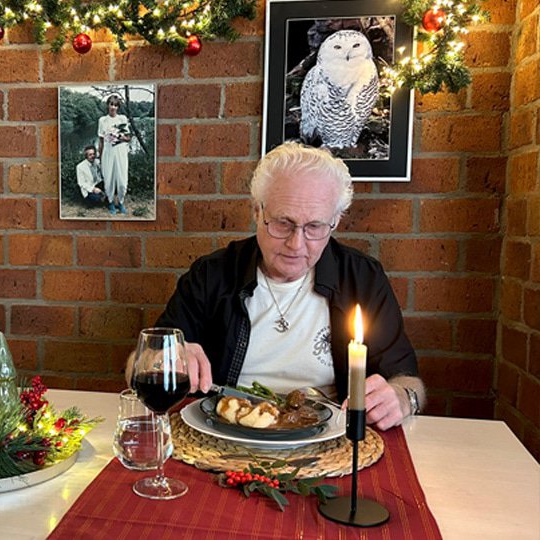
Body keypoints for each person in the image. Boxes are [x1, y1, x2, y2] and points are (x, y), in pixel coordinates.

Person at [126, 142, 425, 431]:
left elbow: (408, 381)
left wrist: (403, 397)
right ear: (257, 211)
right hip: (226, 433)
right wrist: (167, 360)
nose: (296, 244)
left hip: (328, 437)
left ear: (335, 221)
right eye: (283, 223)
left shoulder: (362, 278)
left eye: (314, 227)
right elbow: (136, 368)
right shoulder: (211, 274)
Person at [98, 94, 132, 215]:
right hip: (108, 153)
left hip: (120, 152)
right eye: (111, 104)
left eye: (115, 105)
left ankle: (121, 202)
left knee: (122, 181)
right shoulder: (102, 120)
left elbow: (128, 138)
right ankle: (111, 202)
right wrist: (99, 156)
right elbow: (101, 141)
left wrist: (120, 137)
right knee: (109, 180)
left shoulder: (122, 119)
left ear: (118, 107)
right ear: (108, 105)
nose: (113, 107)